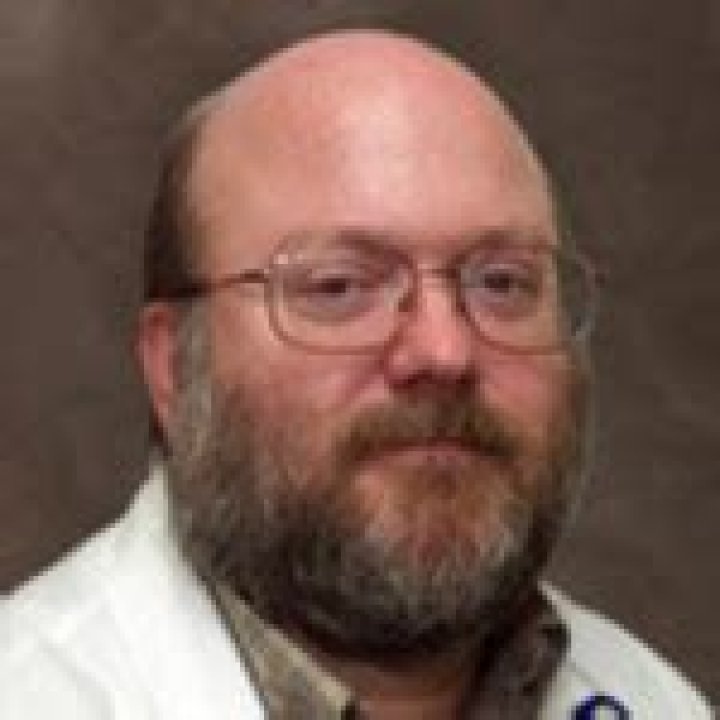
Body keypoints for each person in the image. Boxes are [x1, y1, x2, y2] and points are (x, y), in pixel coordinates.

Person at [0, 30, 712, 719]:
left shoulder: (658, 701)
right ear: (173, 368)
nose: (444, 352)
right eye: (339, 286)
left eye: (501, 282)